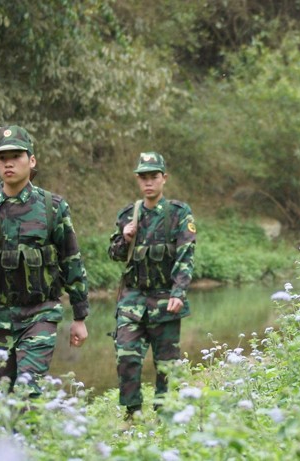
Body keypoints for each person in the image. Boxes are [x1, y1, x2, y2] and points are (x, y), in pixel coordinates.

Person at [0, 125, 89, 396]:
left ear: (32, 160)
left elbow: (71, 260)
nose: (9, 163)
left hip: (39, 314)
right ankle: (17, 438)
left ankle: (28, 435)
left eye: (16, 156)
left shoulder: (52, 207)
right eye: (2, 158)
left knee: (28, 389)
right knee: (5, 393)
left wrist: (80, 317)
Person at [108, 151, 196, 419]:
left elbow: (185, 254)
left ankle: (164, 413)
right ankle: (132, 412)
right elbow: (114, 254)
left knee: (166, 364)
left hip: (164, 299)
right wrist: (125, 238)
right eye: (143, 177)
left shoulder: (178, 214)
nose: (148, 182)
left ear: (163, 178)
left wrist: (178, 292)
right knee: (126, 356)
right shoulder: (128, 215)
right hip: (132, 299)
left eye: (153, 177)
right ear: (138, 180)